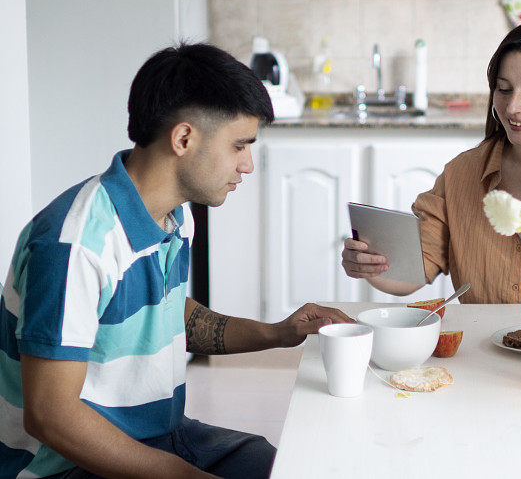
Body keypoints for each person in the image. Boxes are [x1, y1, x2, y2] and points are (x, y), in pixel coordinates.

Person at [0, 43, 353, 479]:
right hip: (70, 465)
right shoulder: (76, 245)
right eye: (239, 145)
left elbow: (167, 317)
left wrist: (280, 332)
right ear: (183, 138)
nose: (247, 165)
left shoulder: (174, 215)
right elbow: (49, 416)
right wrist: (181, 475)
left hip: (160, 436)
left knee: (279, 464)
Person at [341, 20, 521, 305]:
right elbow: (414, 270)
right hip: (481, 345)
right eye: (503, 89)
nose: (512, 107)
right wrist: (369, 264)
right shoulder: (461, 174)